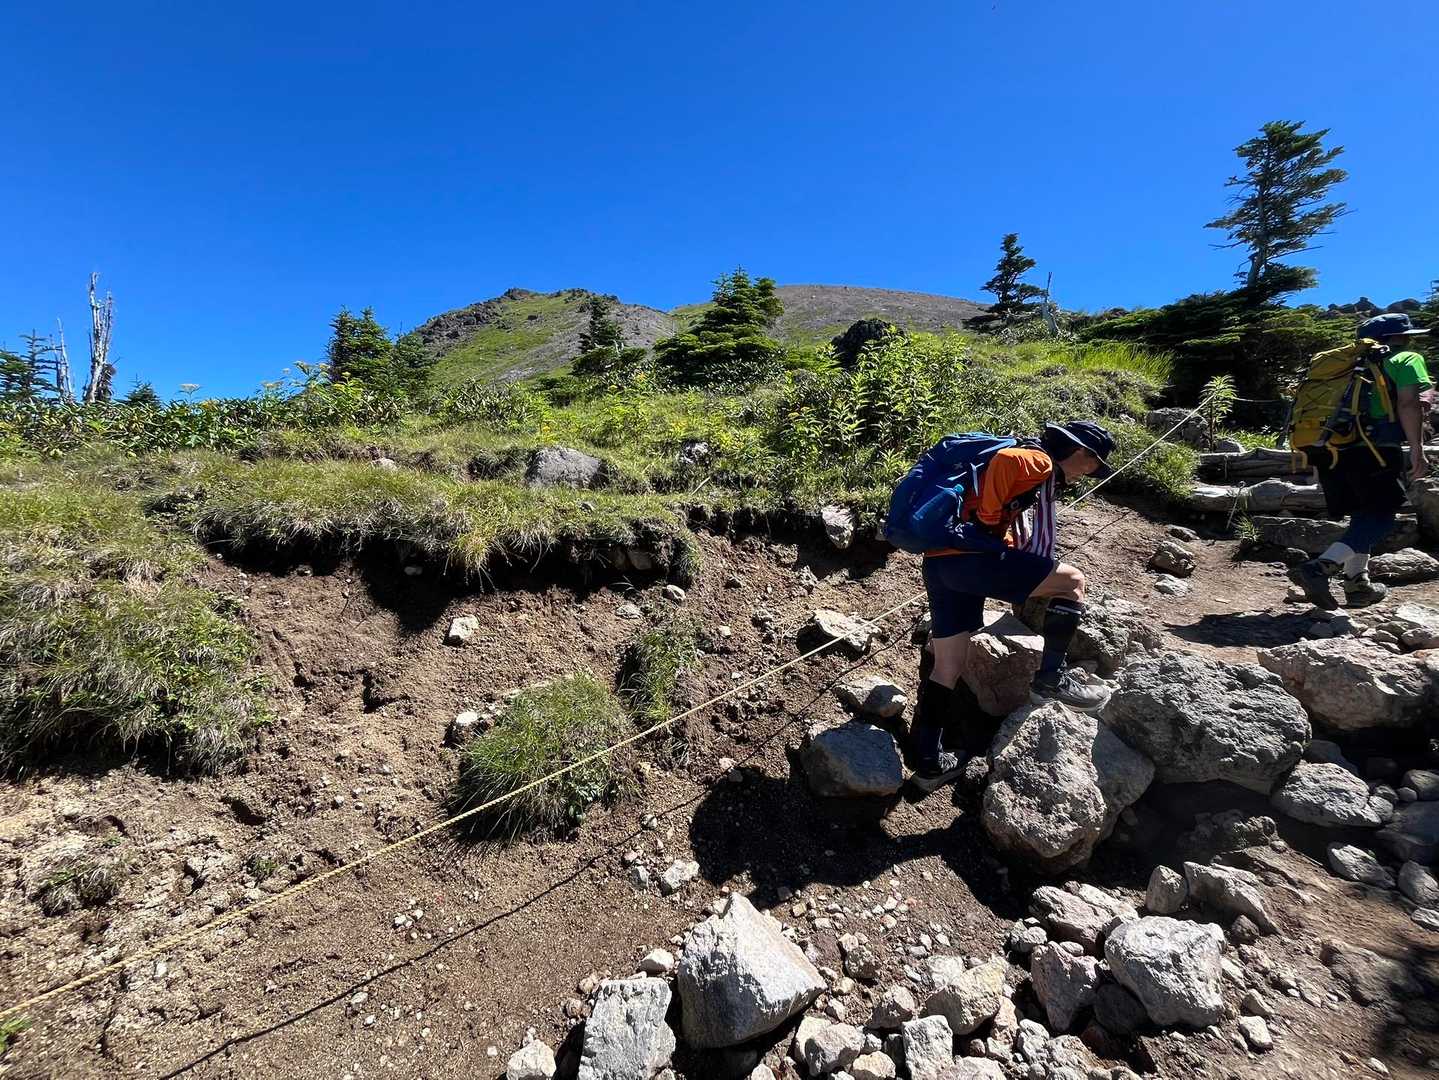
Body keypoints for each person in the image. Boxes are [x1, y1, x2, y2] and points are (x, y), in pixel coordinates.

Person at [910, 420, 1116, 792]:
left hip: (941, 564)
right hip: (973, 561)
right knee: (1073, 582)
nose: (1089, 473)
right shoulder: (1040, 460)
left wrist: (992, 527)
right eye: (1093, 464)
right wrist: (989, 522)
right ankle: (1050, 679)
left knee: (948, 666)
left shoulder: (1035, 466)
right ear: (1080, 452)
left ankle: (928, 764)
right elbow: (1007, 462)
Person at [1290, 313, 1432, 609]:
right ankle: (1319, 568)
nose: (1409, 341)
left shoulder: (1346, 365)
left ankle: (1357, 584)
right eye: (1406, 336)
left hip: (1328, 448)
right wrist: (1417, 448)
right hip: (1374, 447)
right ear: (1395, 337)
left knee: (1363, 514)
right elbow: (1408, 403)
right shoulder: (1406, 359)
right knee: (1382, 516)